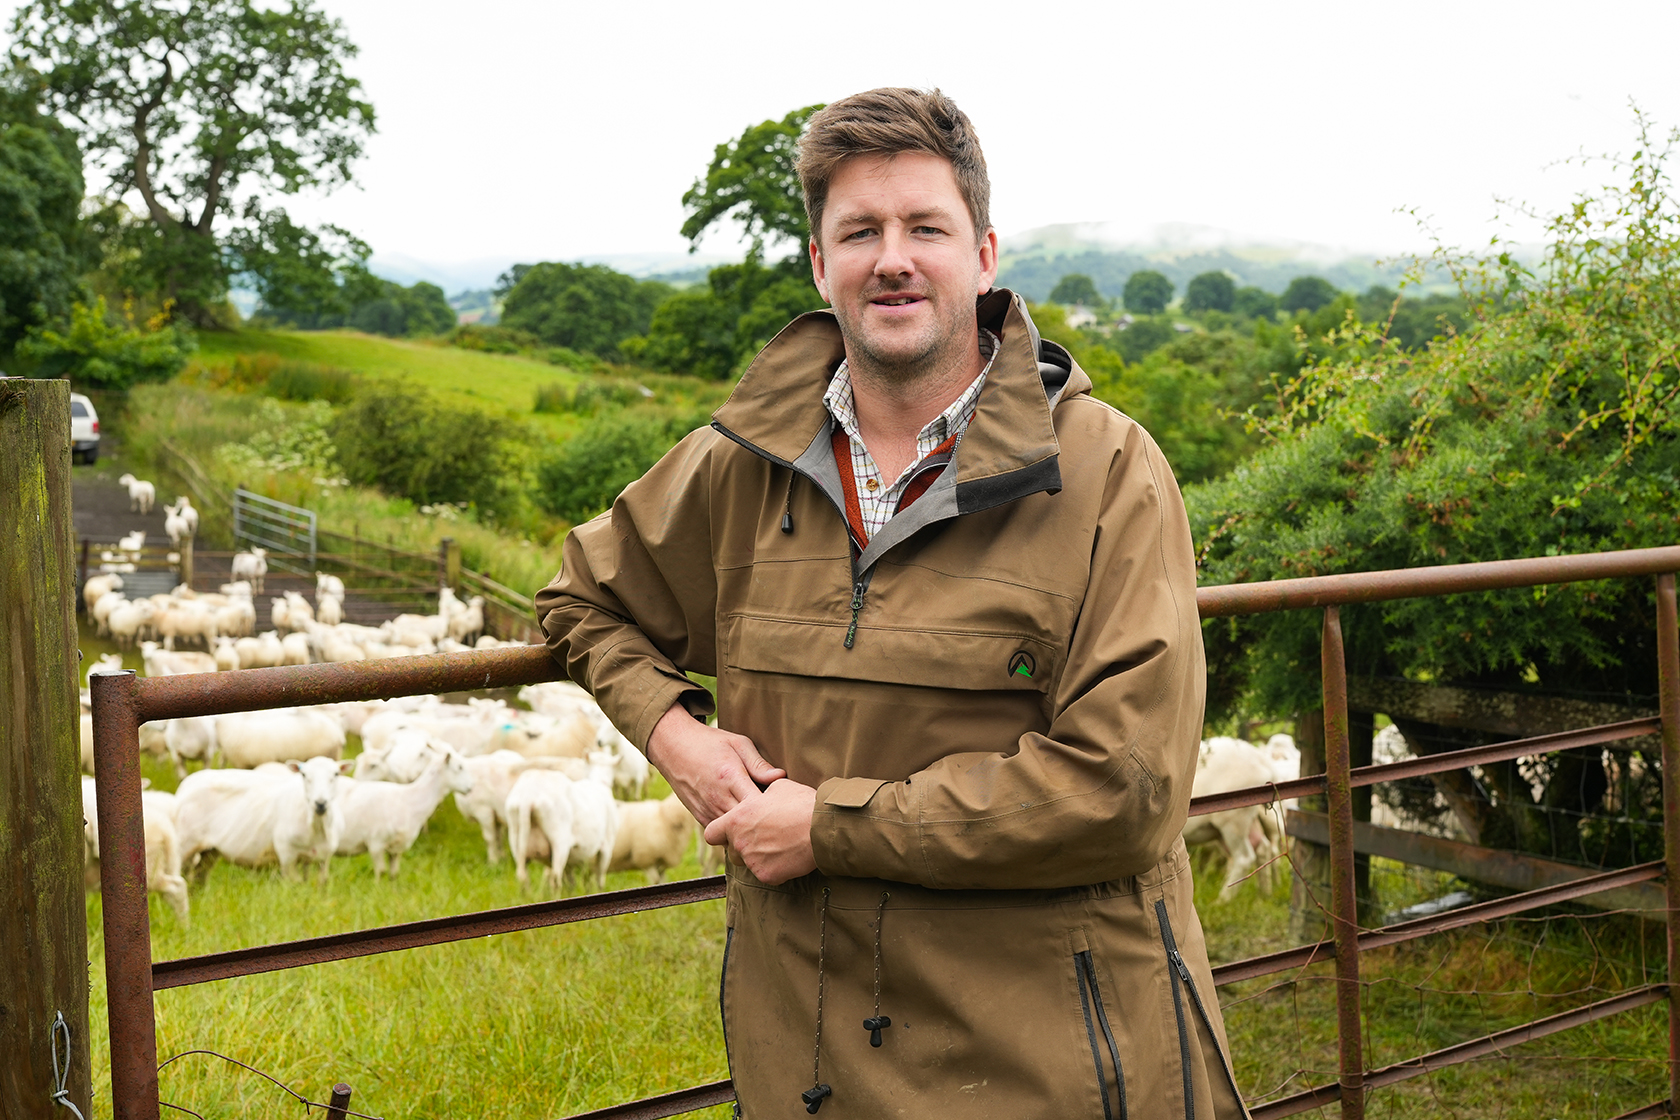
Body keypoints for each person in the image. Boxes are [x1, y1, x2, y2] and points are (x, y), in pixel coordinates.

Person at [536, 87, 1247, 1120]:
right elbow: (581, 598)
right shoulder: (740, 467)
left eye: (926, 227)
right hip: (810, 1063)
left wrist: (828, 825)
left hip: (1059, 1068)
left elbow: (1125, 788)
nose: (893, 258)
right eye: (858, 231)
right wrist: (679, 738)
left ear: (986, 254)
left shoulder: (1107, 471)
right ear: (821, 266)